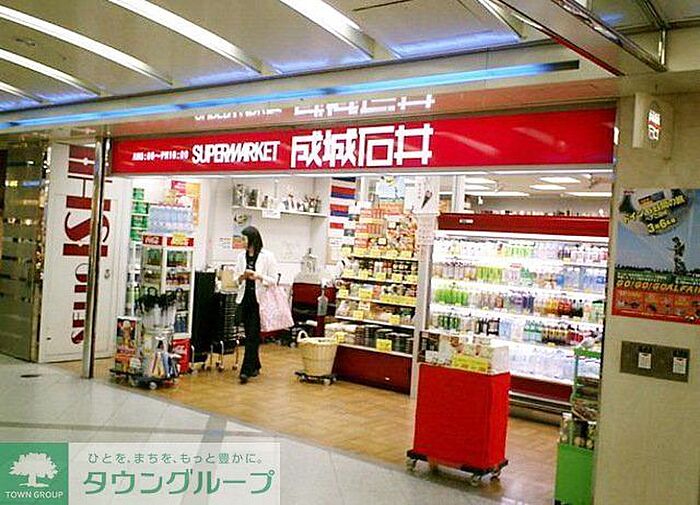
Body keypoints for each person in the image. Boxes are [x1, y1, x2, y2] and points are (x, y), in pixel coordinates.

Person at [234, 226, 279, 384]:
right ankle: (255, 365)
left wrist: (258, 276)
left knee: (253, 335)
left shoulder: (268, 256)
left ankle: (245, 370)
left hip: (259, 301)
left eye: (244, 239)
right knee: (249, 334)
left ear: (252, 239)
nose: (241, 242)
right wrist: (242, 277)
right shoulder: (241, 257)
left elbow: (273, 280)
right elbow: (236, 279)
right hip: (244, 299)